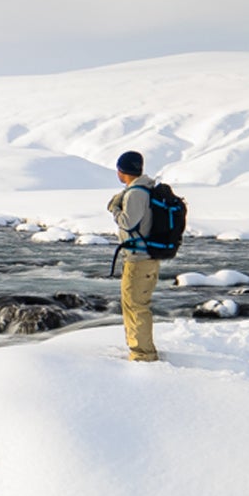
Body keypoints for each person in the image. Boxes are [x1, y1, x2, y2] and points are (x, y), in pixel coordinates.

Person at [107, 150, 161, 362]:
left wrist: (115, 209)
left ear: (122, 171)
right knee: (132, 303)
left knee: (136, 305)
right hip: (141, 258)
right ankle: (137, 348)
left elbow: (128, 223)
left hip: (139, 260)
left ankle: (143, 355)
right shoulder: (140, 189)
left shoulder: (136, 193)